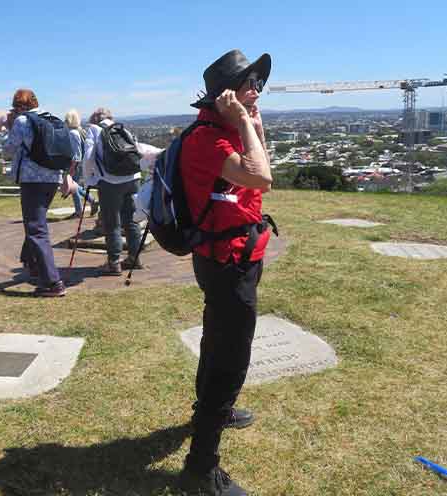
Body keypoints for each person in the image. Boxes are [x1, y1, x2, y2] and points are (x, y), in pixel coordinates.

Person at [178, 49, 274, 496]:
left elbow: (256, 167)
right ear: (222, 95)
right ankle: (201, 466)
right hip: (224, 263)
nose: (256, 90)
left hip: (236, 255)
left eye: (258, 83)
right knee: (229, 356)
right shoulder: (208, 139)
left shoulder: (228, 130)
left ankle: (215, 408)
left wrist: (250, 121)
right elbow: (261, 177)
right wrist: (246, 125)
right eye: (247, 84)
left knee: (218, 338)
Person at [2, 89, 66, 297]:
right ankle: (32, 263)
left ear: (19, 106)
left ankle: (52, 283)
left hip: (32, 180)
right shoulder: (51, 118)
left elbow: (7, 150)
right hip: (52, 178)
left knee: (36, 228)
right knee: (36, 223)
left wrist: (9, 126)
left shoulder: (22, 121)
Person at [81, 108, 143, 275]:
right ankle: (134, 258)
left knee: (112, 222)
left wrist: (89, 180)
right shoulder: (122, 129)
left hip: (110, 181)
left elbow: (88, 158)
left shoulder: (94, 130)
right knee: (131, 220)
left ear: (95, 119)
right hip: (133, 178)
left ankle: (114, 262)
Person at [63, 109, 98, 219]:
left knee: (73, 187)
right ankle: (91, 201)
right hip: (82, 163)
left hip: (76, 164)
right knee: (76, 187)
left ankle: (79, 211)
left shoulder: (73, 133)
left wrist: (72, 168)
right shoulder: (81, 130)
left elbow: (76, 154)